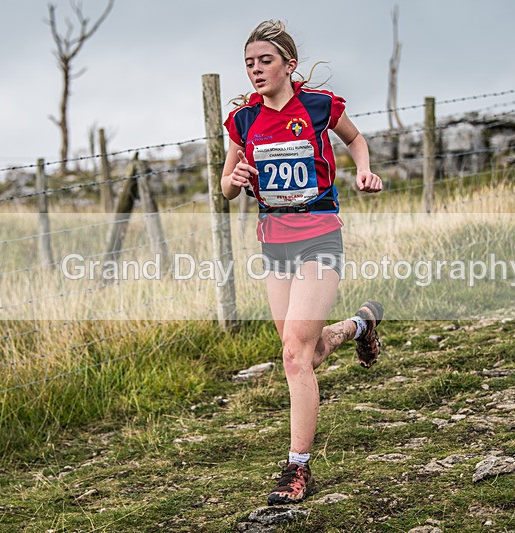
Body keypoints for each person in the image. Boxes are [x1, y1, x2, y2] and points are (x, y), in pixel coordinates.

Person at [221, 20, 384, 505]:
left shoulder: (317, 105)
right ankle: (356, 327)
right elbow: (225, 187)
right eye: (249, 63)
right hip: (274, 242)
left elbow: (355, 140)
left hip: (319, 235)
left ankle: (298, 469)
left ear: (289, 65)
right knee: (307, 353)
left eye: (264, 61)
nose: (255, 70)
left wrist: (364, 170)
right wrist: (238, 175)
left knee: (293, 355)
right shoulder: (242, 121)